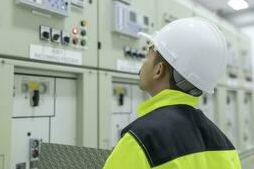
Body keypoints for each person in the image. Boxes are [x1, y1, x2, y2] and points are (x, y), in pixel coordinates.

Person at [103, 17, 241, 169]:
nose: (142, 64)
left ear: (159, 70)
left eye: (148, 55)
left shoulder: (140, 141)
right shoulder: (225, 145)